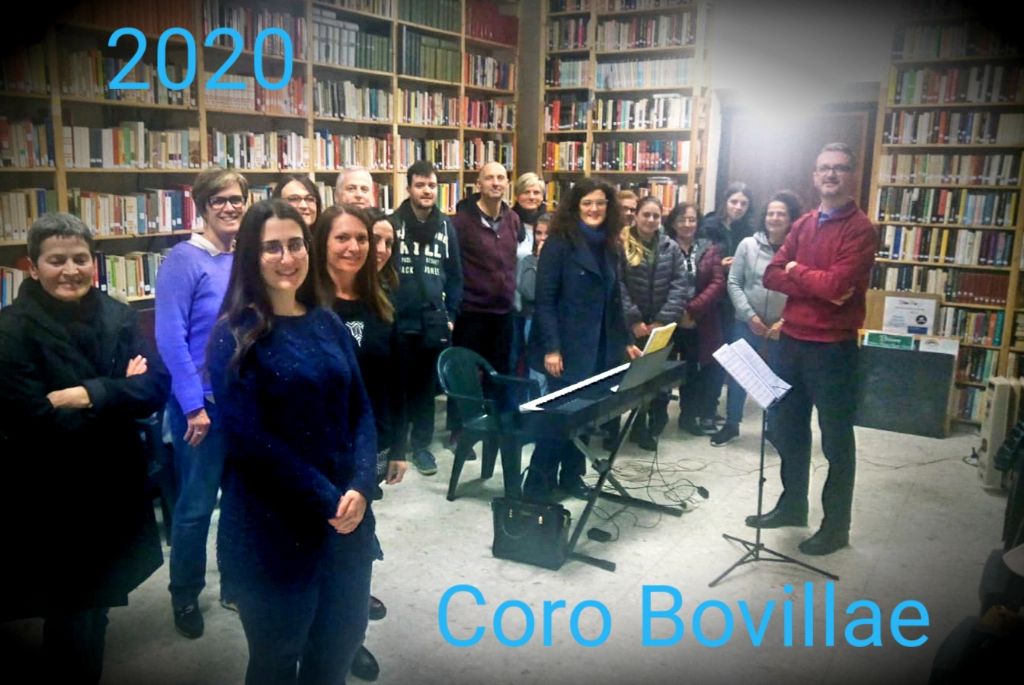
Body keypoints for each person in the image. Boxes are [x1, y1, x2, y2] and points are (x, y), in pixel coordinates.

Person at [209, 199, 378, 684]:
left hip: (345, 523)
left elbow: (362, 410)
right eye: (272, 247)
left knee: (338, 650)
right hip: (272, 529)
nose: (287, 258)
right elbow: (249, 441)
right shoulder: (233, 335)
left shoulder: (327, 322)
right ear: (251, 256)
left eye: (296, 244)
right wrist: (330, 498)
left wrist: (361, 484)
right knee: (277, 659)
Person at [0, 213, 169, 683]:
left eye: (80, 259)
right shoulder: (10, 332)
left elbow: (154, 387)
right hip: (51, 494)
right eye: (57, 260)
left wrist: (87, 394)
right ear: (33, 265)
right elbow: (31, 421)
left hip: (113, 485)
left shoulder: (117, 314)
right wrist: (119, 392)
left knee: (98, 603)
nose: (70, 270)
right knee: (69, 612)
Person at [747, 142, 877, 556]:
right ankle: (792, 505)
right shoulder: (803, 224)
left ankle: (836, 527)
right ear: (815, 175)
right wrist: (812, 281)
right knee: (788, 429)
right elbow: (771, 275)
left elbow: (837, 285)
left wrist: (797, 271)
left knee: (836, 439)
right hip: (792, 342)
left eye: (839, 168)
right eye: (824, 168)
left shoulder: (861, 229)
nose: (831, 175)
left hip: (833, 348)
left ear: (851, 175)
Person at [312, 204, 405, 681]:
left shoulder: (379, 303)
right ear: (322, 243)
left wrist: (399, 445)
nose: (354, 248)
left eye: (362, 239)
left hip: (367, 448)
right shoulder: (305, 302)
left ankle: (350, 641)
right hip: (316, 448)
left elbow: (394, 380)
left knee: (355, 543)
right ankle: (314, 640)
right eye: (342, 238)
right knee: (319, 546)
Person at [155, 167, 248, 637]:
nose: (230, 207)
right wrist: (193, 406)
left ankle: (234, 585)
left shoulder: (243, 257)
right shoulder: (183, 260)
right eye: (219, 200)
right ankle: (185, 594)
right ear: (202, 206)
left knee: (239, 501)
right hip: (201, 406)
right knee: (195, 506)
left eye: (237, 199)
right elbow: (170, 338)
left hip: (242, 402)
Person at [525, 177, 634, 502]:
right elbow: (545, 301)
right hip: (565, 350)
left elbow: (615, 300)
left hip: (599, 349)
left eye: (600, 203)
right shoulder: (558, 244)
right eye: (587, 203)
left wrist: (626, 340)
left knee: (585, 418)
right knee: (559, 419)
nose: (594, 209)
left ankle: (572, 477)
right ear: (576, 207)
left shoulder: (610, 245)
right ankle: (537, 485)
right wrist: (552, 348)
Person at [388, 160, 463, 476]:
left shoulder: (446, 226)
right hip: (397, 320)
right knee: (396, 387)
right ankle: (394, 446)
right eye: (420, 185)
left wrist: (452, 315)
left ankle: (421, 446)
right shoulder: (392, 224)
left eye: (431, 185)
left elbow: (455, 275)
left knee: (424, 389)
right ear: (409, 188)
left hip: (433, 323)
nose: (427, 191)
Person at [711, 190, 803, 447]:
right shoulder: (748, 245)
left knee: (776, 376)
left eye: (781, 214)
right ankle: (731, 424)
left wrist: (784, 322)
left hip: (781, 327)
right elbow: (734, 282)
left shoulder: (799, 249)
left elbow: (802, 289)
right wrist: (750, 316)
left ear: (791, 218)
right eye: (771, 213)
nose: (775, 218)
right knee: (740, 374)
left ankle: (773, 428)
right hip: (746, 322)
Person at [449, 161, 521, 458]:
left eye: (501, 178)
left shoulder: (512, 219)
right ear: (478, 184)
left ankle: (494, 427)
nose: (495, 183)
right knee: (465, 374)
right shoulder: (460, 222)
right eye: (489, 178)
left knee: (499, 373)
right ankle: (460, 431)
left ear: (507, 184)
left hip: (503, 312)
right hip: (472, 310)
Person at [620, 196, 691, 450]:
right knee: (631, 379)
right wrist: (634, 319)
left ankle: (649, 427)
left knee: (656, 380)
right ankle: (624, 427)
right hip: (632, 327)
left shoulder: (671, 248)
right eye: (646, 214)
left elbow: (679, 285)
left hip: (662, 327)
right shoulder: (621, 244)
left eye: (656, 216)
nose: (651, 220)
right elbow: (618, 285)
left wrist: (662, 320)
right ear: (636, 215)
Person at [667, 202, 725, 436]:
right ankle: (654, 421)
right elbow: (660, 282)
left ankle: (688, 416)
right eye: (682, 219)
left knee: (692, 369)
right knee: (663, 370)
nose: (687, 224)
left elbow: (717, 282)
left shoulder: (709, 249)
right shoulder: (664, 246)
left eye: (692, 219)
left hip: (697, 320)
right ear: (673, 223)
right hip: (668, 319)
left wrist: (691, 310)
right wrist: (677, 312)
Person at [701, 181, 755, 427]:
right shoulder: (708, 226)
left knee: (728, 356)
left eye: (744, 203)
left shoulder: (749, 231)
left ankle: (712, 407)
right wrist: (719, 265)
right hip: (712, 300)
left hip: (736, 300)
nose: (738, 207)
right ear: (725, 202)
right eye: (734, 201)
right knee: (711, 355)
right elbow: (699, 260)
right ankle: (703, 408)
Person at [510, 172, 546, 374]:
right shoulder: (509, 221)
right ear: (517, 195)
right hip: (513, 302)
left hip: (539, 306)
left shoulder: (550, 224)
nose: (532, 197)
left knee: (536, 362)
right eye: (526, 192)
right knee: (513, 357)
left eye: (536, 192)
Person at [515, 213, 550, 396]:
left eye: (547, 233)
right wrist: (541, 262)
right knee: (537, 373)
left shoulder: (565, 261)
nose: (542, 238)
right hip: (533, 320)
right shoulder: (528, 261)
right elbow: (530, 292)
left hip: (556, 323)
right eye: (538, 233)